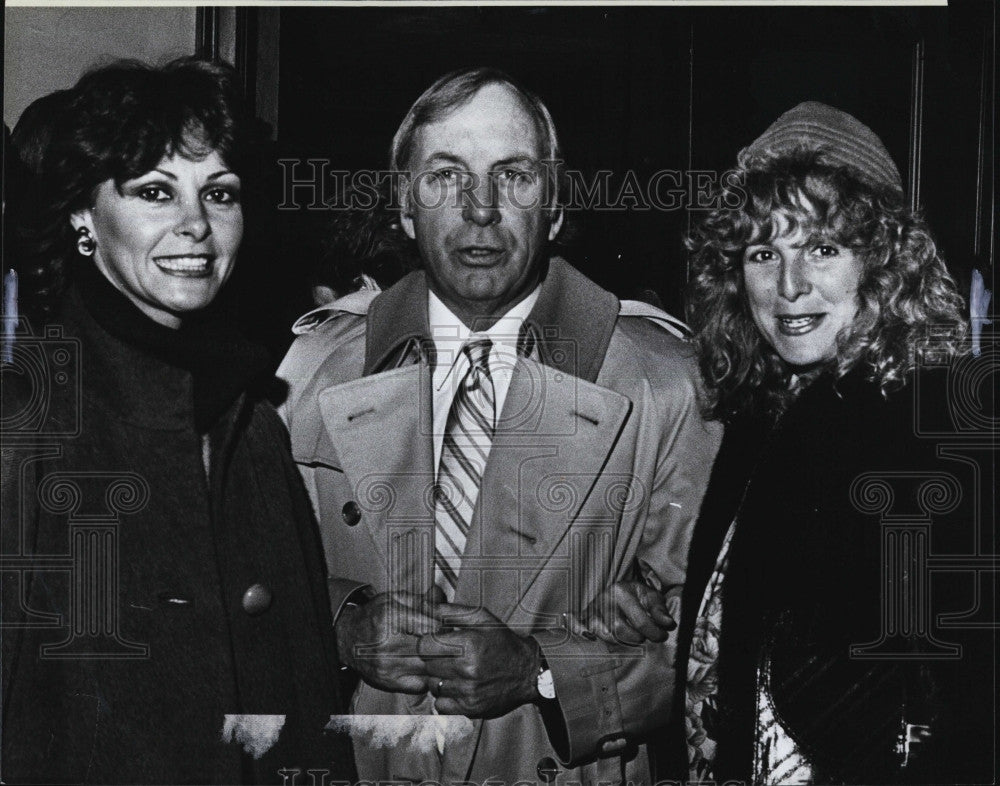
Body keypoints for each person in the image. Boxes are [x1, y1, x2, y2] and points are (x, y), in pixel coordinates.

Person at [277, 67, 722, 784]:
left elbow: (712, 641)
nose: (480, 209)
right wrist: (344, 626)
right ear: (402, 204)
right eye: (446, 176)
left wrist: (541, 672)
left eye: (513, 176)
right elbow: (252, 580)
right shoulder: (314, 370)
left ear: (553, 206)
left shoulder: (662, 383)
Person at [579, 102, 995, 783]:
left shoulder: (926, 436)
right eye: (764, 251)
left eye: (823, 248)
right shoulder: (768, 415)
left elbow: (950, 713)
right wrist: (663, 605)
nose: (790, 286)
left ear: (883, 262)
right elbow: (782, 624)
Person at [1, 58, 354, 784]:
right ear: (81, 216)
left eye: (219, 193)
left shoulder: (250, 421)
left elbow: (307, 695)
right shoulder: (27, 425)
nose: (196, 225)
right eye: (156, 193)